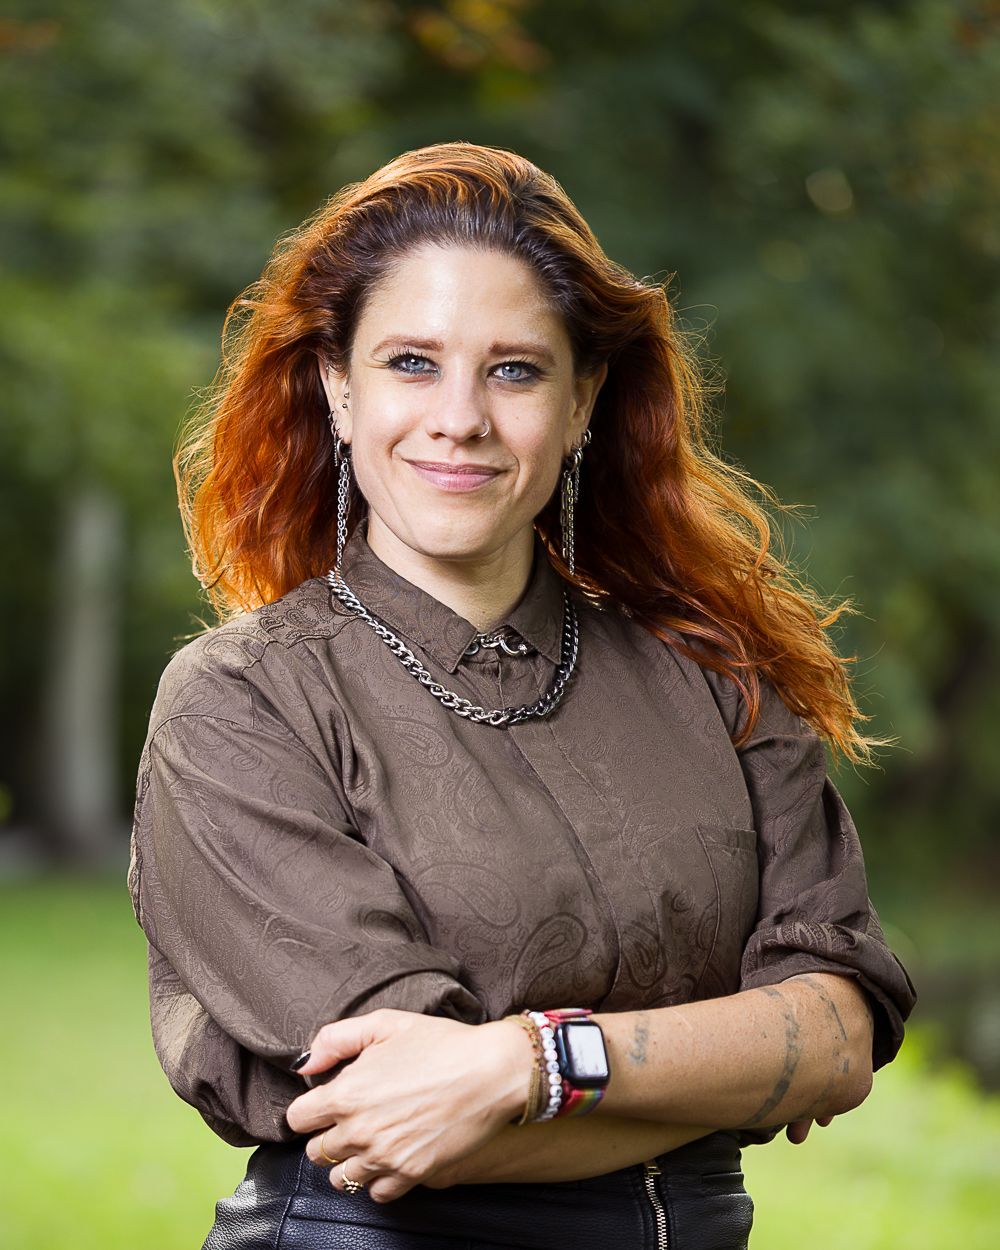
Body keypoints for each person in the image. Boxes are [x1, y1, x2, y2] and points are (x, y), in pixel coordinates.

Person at [128, 140, 917, 1250]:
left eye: (514, 370)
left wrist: (523, 1062)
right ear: (339, 389)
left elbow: (840, 1034)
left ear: (583, 399)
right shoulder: (242, 704)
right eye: (411, 362)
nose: (459, 417)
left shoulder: (716, 675)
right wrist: (726, 1066)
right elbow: (402, 1117)